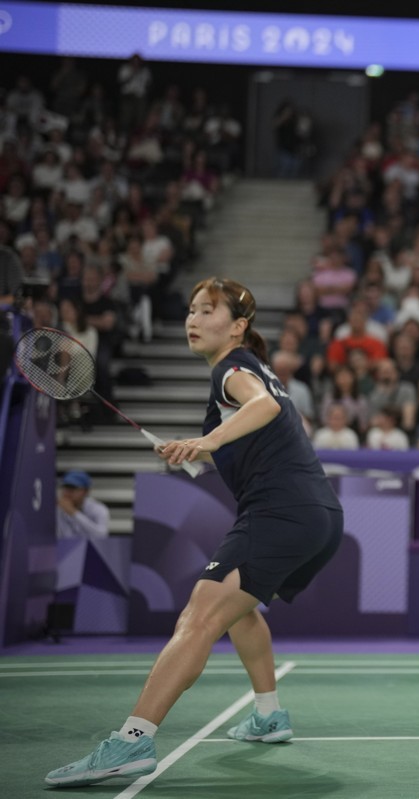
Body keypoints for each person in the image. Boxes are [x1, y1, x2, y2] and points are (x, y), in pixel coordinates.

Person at [46, 278, 344, 787]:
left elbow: (264, 410)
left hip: (280, 511)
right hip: (317, 515)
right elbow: (254, 431)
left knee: (198, 616)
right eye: (190, 310)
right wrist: (195, 450)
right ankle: (269, 715)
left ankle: (131, 741)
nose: (193, 319)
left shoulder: (234, 369)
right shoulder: (251, 372)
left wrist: (205, 438)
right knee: (239, 610)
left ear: (238, 327)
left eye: (208, 311)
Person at [56, 471, 110, 540]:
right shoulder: (59, 509)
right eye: (66, 488)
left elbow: (102, 536)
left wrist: (74, 513)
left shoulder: (99, 509)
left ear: (85, 491)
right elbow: (64, 536)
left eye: (72, 489)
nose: (67, 493)